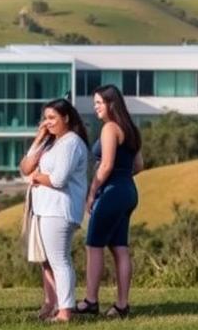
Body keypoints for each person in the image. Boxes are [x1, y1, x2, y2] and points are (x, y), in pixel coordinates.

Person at [19, 98, 89, 323]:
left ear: (66, 118)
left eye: (52, 118)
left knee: (59, 259)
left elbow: (58, 179)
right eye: (45, 118)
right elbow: (25, 167)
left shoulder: (71, 143)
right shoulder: (51, 142)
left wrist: (36, 177)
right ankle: (53, 305)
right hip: (43, 209)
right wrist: (39, 139)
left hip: (59, 210)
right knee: (46, 260)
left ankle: (65, 311)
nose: (47, 123)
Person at [77, 85, 144, 320]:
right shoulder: (131, 129)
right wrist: (121, 178)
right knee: (119, 248)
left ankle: (91, 300)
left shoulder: (109, 129)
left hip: (112, 192)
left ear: (110, 104)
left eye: (99, 103)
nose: (95, 107)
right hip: (128, 191)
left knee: (94, 245)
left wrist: (92, 193)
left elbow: (105, 166)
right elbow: (139, 166)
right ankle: (122, 305)